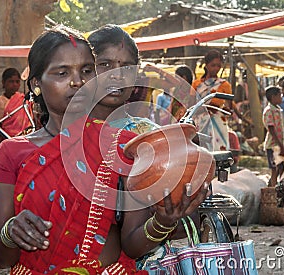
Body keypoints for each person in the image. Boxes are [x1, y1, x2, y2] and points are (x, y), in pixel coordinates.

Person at [0, 25, 210, 275]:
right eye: (62, 73)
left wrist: (163, 222)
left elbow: (133, 245)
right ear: (37, 83)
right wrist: (10, 233)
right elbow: (0, 256)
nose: (77, 81)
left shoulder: (125, 145)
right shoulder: (11, 153)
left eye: (86, 71)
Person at [88, 24, 212, 263]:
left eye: (126, 67)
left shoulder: (149, 136)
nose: (116, 74)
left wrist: (168, 218)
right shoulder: (62, 136)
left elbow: (186, 218)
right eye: (104, 64)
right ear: (84, 70)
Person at [193, 50, 233, 151]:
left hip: (218, 122)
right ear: (206, 65)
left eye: (218, 66)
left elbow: (229, 107)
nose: (216, 68)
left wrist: (225, 110)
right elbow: (191, 104)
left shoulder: (225, 85)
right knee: (202, 150)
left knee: (219, 150)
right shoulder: (196, 84)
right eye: (213, 65)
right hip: (200, 120)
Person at [0, 68, 33, 137]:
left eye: (17, 82)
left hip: (25, 138)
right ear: (3, 82)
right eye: (11, 81)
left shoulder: (23, 99)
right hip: (6, 139)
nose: (14, 84)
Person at [263, 86, 284, 187]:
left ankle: (279, 187)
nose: (281, 97)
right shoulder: (269, 111)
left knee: (281, 167)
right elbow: (271, 128)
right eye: (280, 95)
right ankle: (273, 189)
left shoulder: (278, 110)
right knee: (274, 169)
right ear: (273, 97)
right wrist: (280, 144)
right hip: (272, 145)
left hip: (279, 144)